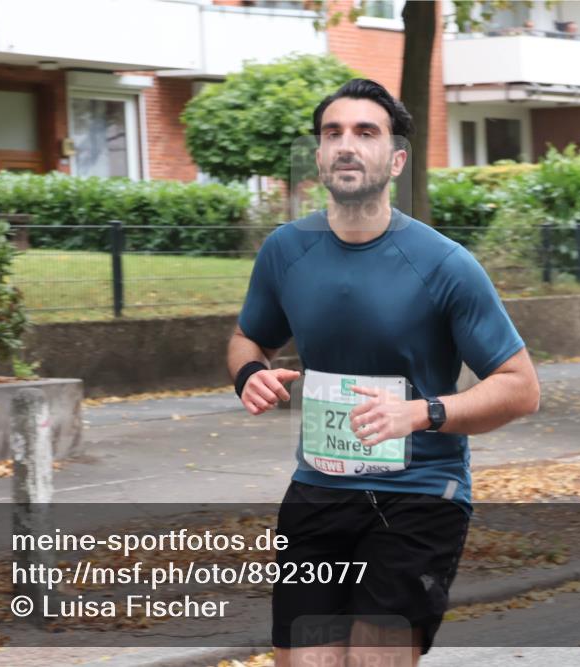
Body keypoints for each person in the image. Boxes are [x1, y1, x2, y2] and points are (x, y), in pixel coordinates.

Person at [226, 78, 540, 667]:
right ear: (319, 155)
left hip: (419, 494)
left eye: (366, 132)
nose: (346, 144)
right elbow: (249, 338)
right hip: (319, 488)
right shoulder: (285, 251)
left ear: (396, 160)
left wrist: (421, 413)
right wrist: (249, 374)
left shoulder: (444, 265)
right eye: (333, 133)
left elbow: (521, 388)